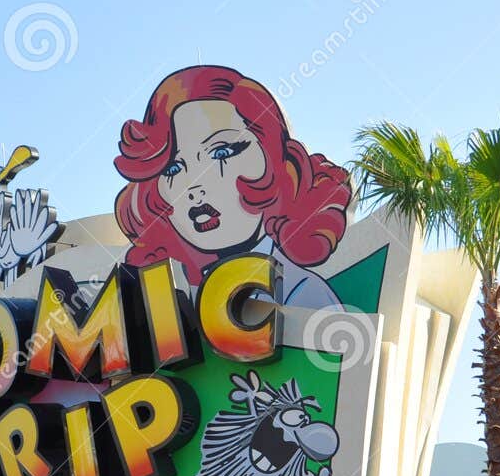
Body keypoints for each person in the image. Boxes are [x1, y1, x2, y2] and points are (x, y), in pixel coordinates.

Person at [113, 64, 351, 310]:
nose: (193, 185)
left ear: (275, 159)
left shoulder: (301, 294)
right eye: (173, 169)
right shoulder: (165, 302)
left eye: (221, 152)